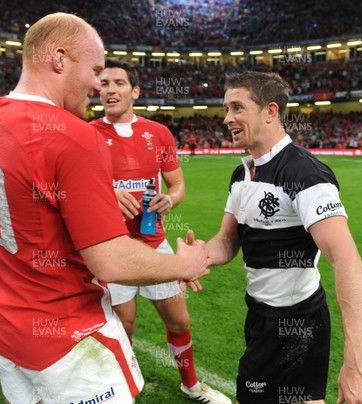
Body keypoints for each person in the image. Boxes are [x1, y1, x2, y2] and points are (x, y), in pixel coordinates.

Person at [0, 13, 209, 404]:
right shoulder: (74, 135)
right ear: (60, 59)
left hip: (3, 332)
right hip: (67, 338)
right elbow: (110, 262)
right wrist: (187, 264)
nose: (97, 84)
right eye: (95, 70)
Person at [201, 72, 362, 404]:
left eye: (237, 107)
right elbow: (228, 240)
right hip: (259, 316)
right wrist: (200, 256)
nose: (227, 118)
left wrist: (358, 362)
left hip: (298, 322)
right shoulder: (241, 173)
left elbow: (346, 259)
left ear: (270, 111)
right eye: (226, 108)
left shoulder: (305, 174)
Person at [91, 59, 231, 404]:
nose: (110, 89)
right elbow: (73, 189)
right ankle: (123, 387)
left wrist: (170, 199)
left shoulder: (158, 133)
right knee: (124, 327)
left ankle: (192, 385)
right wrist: (107, 193)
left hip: (155, 245)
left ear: (134, 92)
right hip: (113, 248)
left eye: (118, 83)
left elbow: (178, 185)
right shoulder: (88, 134)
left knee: (180, 321)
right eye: (104, 83)